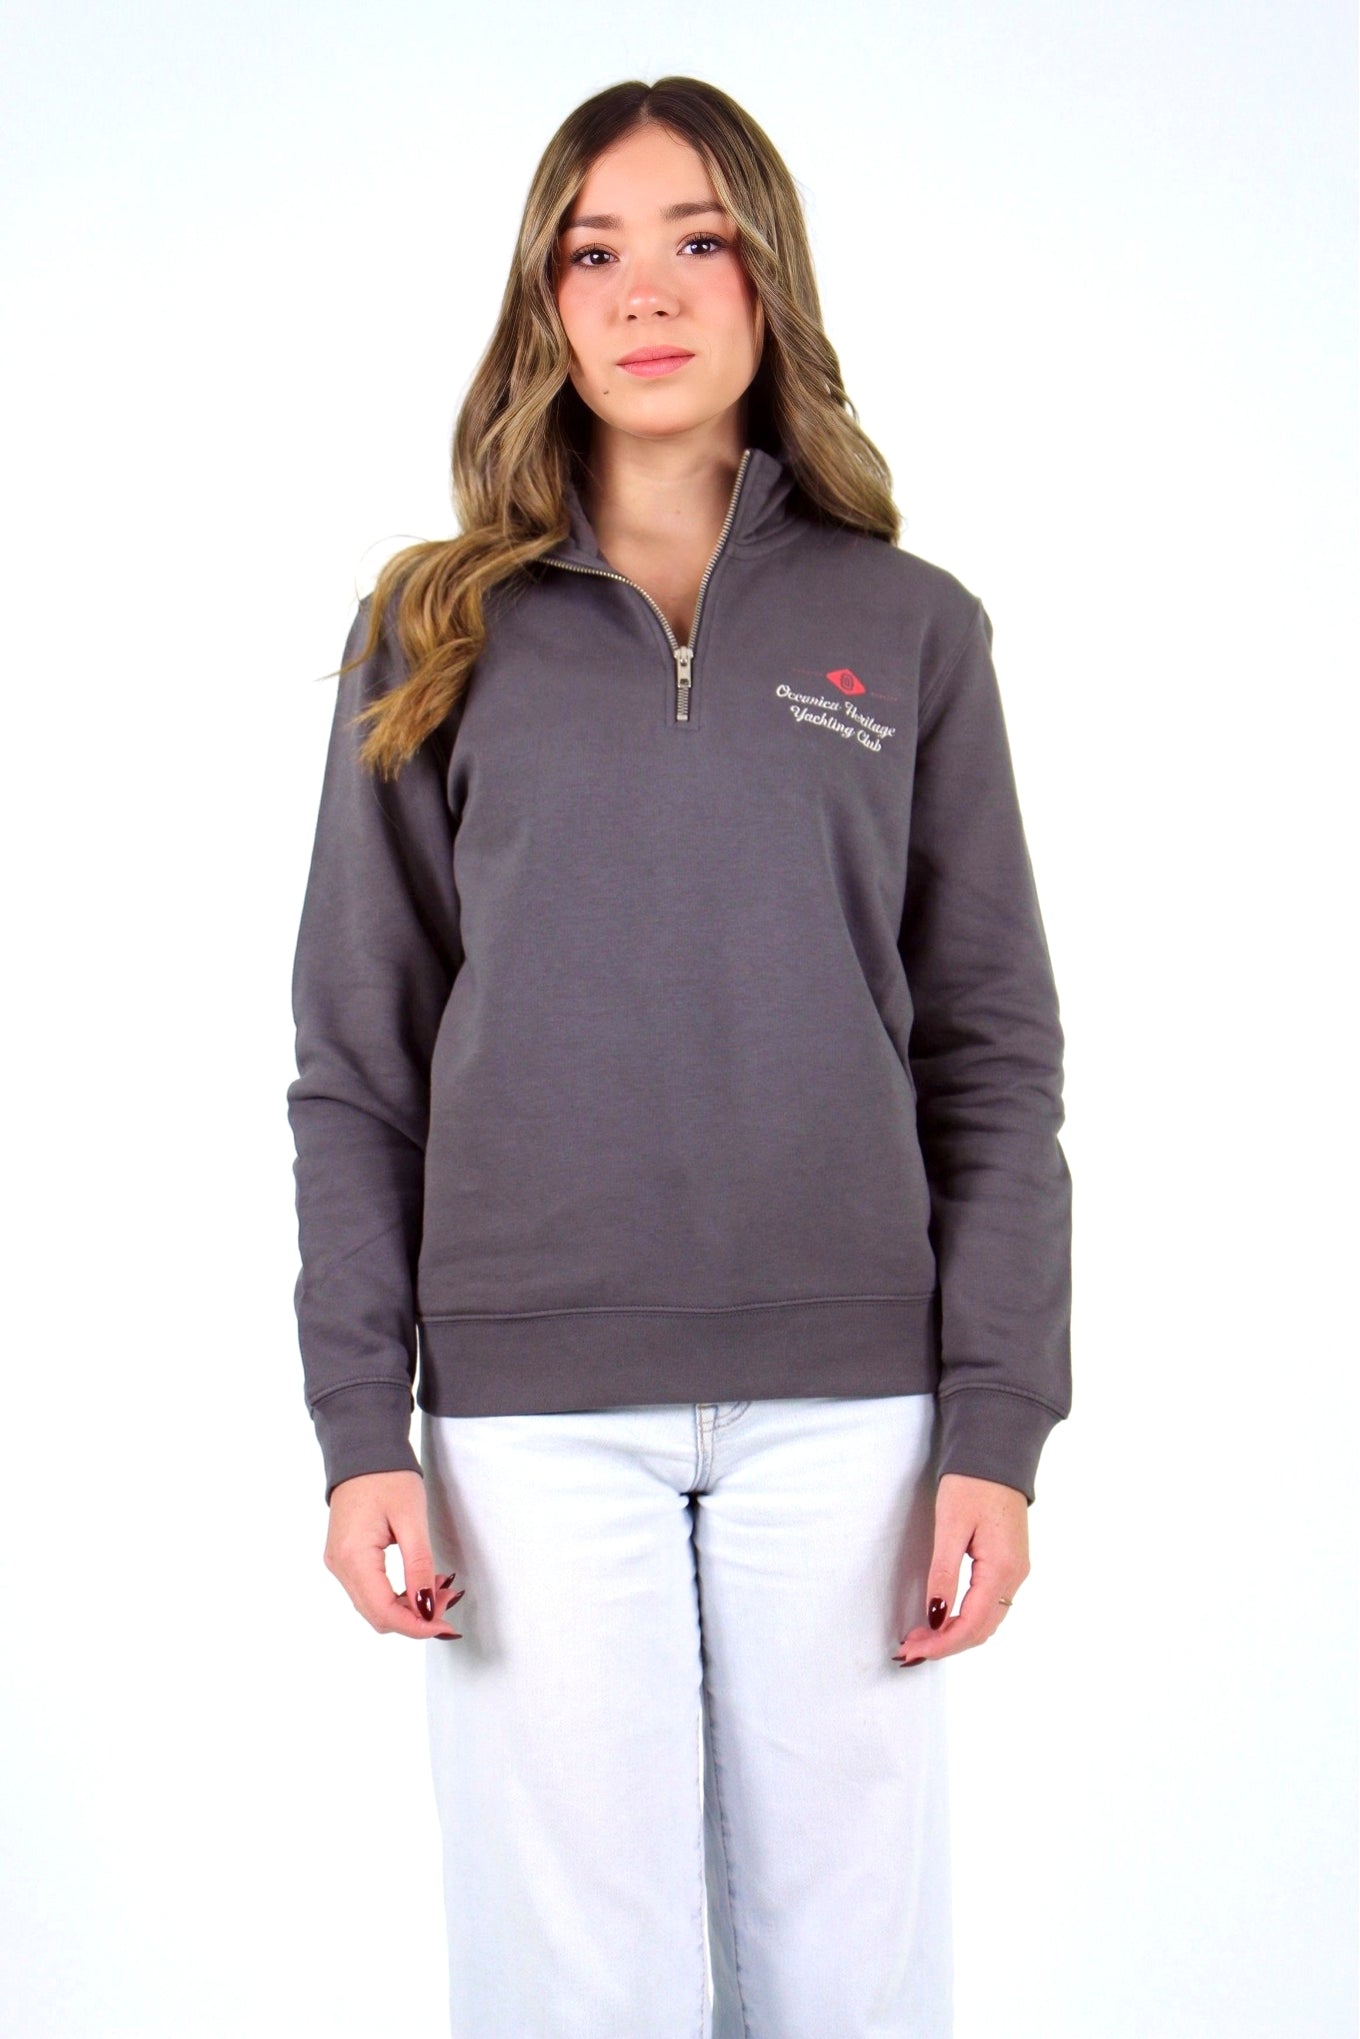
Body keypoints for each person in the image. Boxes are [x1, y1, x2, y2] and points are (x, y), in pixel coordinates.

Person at [285, 74, 1072, 2039]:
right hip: (528, 1424)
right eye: (594, 251)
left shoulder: (909, 629)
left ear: (765, 278)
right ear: (542, 301)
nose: (645, 292)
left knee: (850, 1990)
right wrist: (360, 1427)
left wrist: (994, 1424)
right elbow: (356, 1059)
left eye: (695, 239)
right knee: (578, 1995)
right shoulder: (427, 632)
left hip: (853, 1412)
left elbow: (992, 1053)